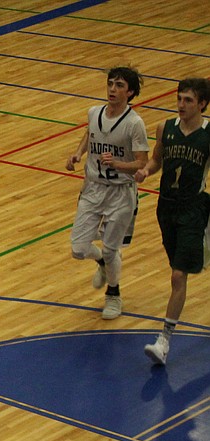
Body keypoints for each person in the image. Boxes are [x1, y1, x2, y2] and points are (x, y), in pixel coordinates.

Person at [135, 77, 210, 366]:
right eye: (179, 98)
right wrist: (145, 172)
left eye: (188, 100)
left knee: (178, 276)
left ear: (202, 103)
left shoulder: (208, 134)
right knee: (180, 269)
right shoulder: (164, 128)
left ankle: (163, 341)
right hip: (165, 208)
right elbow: (156, 161)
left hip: (193, 208)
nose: (181, 104)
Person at [64, 66, 149, 320]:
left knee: (113, 249)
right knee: (78, 248)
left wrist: (119, 164)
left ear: (130, 92)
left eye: (119, 85)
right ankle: (100, 262)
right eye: (111, 84)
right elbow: (90, 134)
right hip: (92, 189)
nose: (113, 89)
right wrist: (79, 153)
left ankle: (114, 294)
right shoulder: (95, 113)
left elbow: (142, 162)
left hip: (121, 193)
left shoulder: (135, 123)